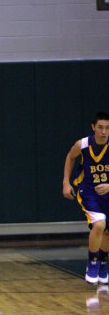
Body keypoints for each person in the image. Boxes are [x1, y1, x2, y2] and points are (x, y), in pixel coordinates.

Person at [63, 111, 109, 284]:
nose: (104, 132)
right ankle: (92, 262)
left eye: (107, 128)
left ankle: (103, 262)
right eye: (100, 127)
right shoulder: (83, 144)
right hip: (89, 191)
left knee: (107, 231)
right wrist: (66, 182)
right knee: (99, 224)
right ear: (93, 127)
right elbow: (70, 156)